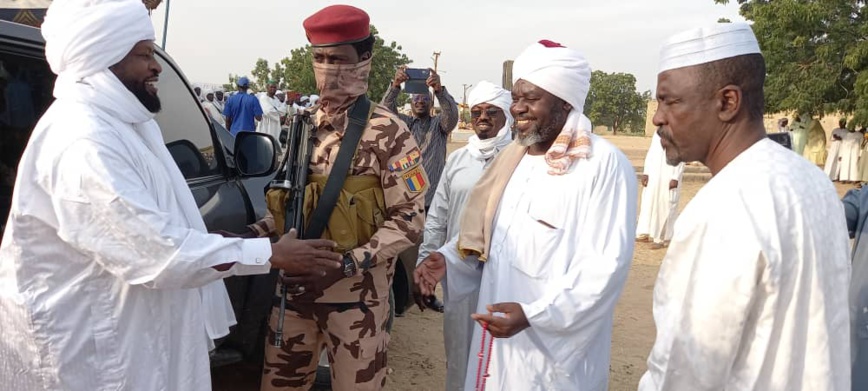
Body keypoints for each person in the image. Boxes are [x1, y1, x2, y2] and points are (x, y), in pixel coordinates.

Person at [0, 1, 343, 390]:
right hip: (88, 354)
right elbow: (155, 251)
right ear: (106, 56)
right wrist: (270, 254)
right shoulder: (84, 141)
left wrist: (246, 245)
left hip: (124, 337)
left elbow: (157, 230)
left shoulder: (123, 124)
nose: (156, 66)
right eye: (144, 55)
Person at [639, 23, 851, 391]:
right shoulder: (812, 181)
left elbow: (684, 368)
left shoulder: (723, 206)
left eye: (670, 101)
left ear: (727, 102)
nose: (658, 117)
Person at [415, 40, 637, 390]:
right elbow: (489, 237)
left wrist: (534, 315)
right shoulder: (512, 160)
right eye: (516, 98)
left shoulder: (602, 165)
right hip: (496, 340)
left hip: (553, 355)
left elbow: (604, 270)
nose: (518, 108)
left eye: (531, 99)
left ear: (565, 101)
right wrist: (447, 260)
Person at [259, 5, 427, 391]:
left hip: (357, 304)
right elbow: (290, 206)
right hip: (294, 298)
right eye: (319, 58)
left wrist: (346, 266)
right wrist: (251, 235)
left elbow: (409, 219)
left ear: (364, 59)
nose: (327, 69)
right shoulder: (303, 125)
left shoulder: (390, 133)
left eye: (337, 59)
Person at [416, 80, 513, 391]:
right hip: (458, 271)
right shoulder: (458, 160)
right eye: (477, 111)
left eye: (492, 112)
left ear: (507, 115)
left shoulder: (521, 160)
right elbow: (438, 216)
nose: (483, 117)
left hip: (506, 274)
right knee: (459, 351)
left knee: (501, 357)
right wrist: (424, 262)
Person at [382, 66, 459, 210]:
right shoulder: (403, 124)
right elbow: (385, 113)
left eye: (425, 98)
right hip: (405, 200)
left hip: (433, 202)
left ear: (431, 103)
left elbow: (451, 116)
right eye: (416, 98)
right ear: (411, 103)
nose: (420, 101)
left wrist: (439, 91)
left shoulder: (439, 125)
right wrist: (395, 85)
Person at [635, 130, 684, 250]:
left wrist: (675, 177)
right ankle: (644, 232)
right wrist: (646, 172)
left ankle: (662, 238)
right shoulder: (657, 133)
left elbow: (682, 155)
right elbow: (651, 153)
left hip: (669, 175)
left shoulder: (681, 131)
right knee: (648, 202)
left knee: (666, 205)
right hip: (654, 174)